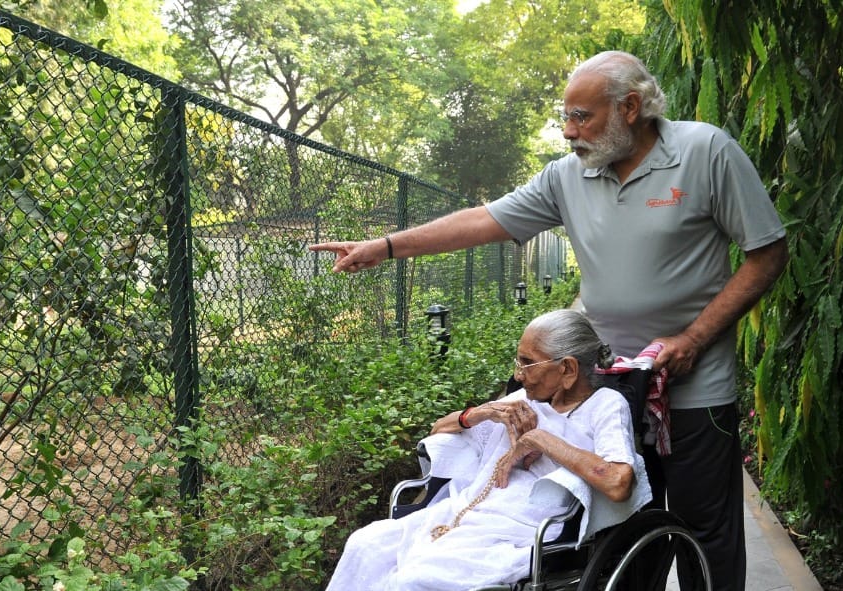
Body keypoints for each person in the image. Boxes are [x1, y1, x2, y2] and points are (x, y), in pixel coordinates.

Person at [311, 50, 789, 590]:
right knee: (624, 528)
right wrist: (388, 245)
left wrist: (695, 337)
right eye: (565, 116)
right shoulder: (569, 176)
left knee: (705, 529)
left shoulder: (706, 152)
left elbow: (768, 252)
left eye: (581, 117)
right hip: (607, 387)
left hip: (696, 382)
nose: (568, 132)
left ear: (629, 107)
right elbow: (484, 220)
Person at [326, 310, 651, 591]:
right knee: (364, 546)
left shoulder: (605, 406)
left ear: (567, 369)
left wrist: (539, 439)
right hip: (464, 510)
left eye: (527, 363)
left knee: (416, 578)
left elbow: (618, 482)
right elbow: (438, 430)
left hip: (521, 529)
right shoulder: (522, 400)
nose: (517, 375)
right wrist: (478, 414)